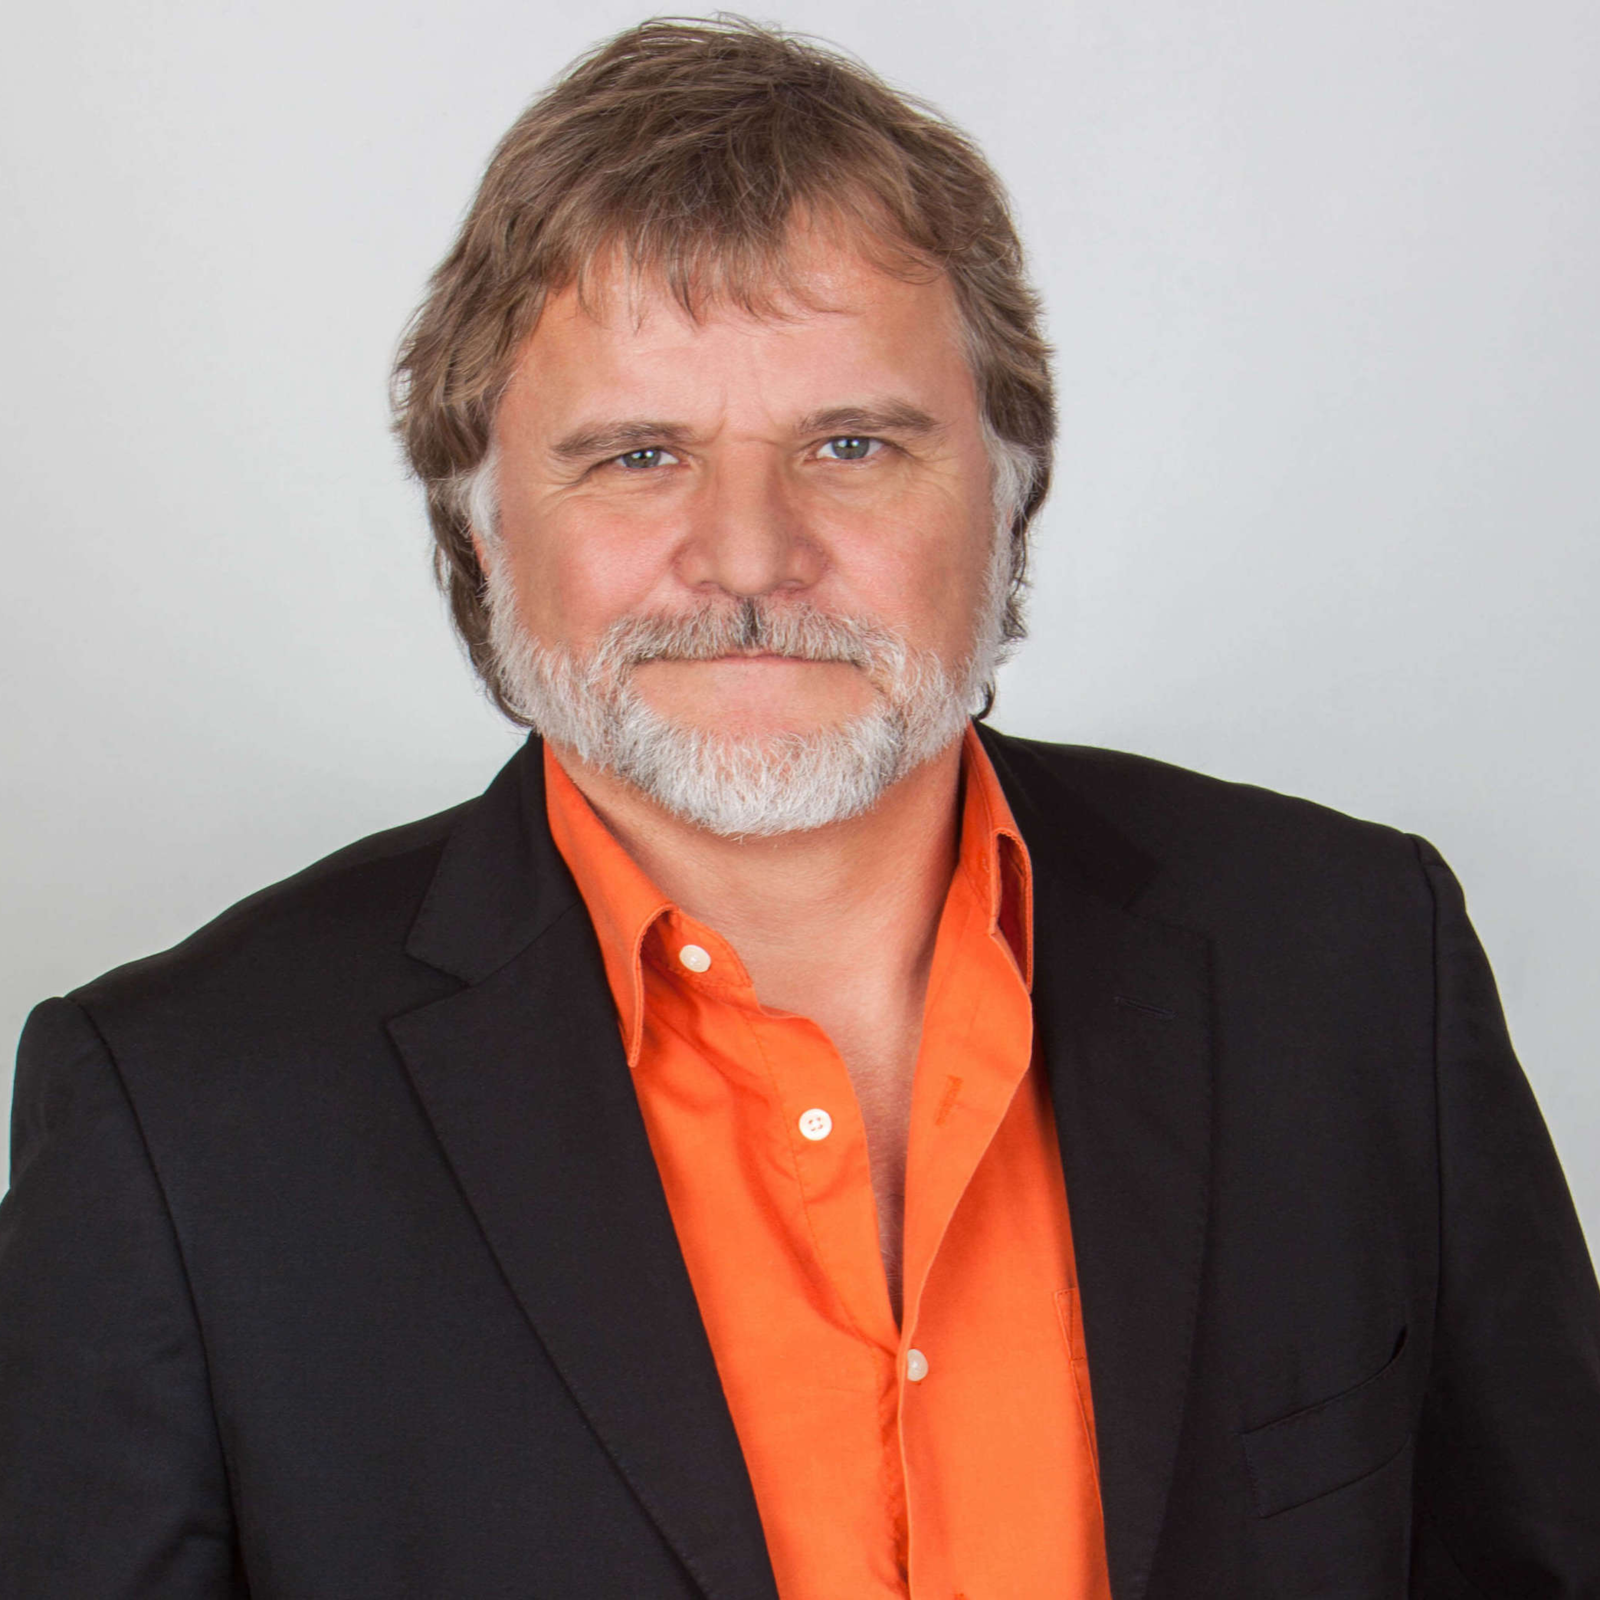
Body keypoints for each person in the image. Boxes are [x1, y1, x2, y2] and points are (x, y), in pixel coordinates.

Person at [2, 15, 1596, 1598]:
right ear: (483, 528)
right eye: (639, 454)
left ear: (1010, 492)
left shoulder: (1355, 963)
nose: (750, 559)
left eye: (850, 443)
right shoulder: (181, 1123)